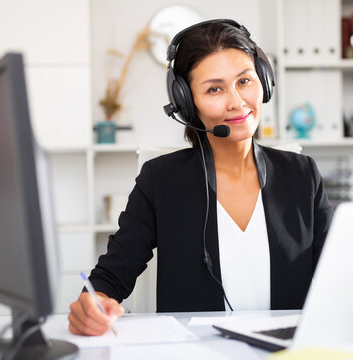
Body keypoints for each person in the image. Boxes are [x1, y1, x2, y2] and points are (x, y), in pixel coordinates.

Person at [68, 19, 333, 336]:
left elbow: (340, 272)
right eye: (215, 89)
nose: (236, 101)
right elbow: (110, 276)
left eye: (244, 81)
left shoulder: (302, 175)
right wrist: (93, 303)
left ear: (264, 80)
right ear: (187, 104)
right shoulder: (160, 180)